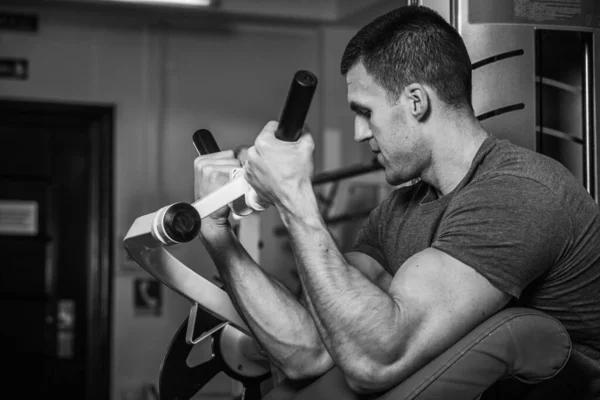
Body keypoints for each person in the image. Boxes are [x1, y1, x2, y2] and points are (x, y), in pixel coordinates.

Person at [193, 5, 600, 399]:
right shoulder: (398, 211)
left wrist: (293, 197)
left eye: (365, 112)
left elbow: (376, 361)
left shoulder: (519, 192)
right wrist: (218, 235)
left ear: (416, 102)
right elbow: (310, 352)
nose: (358, 133)